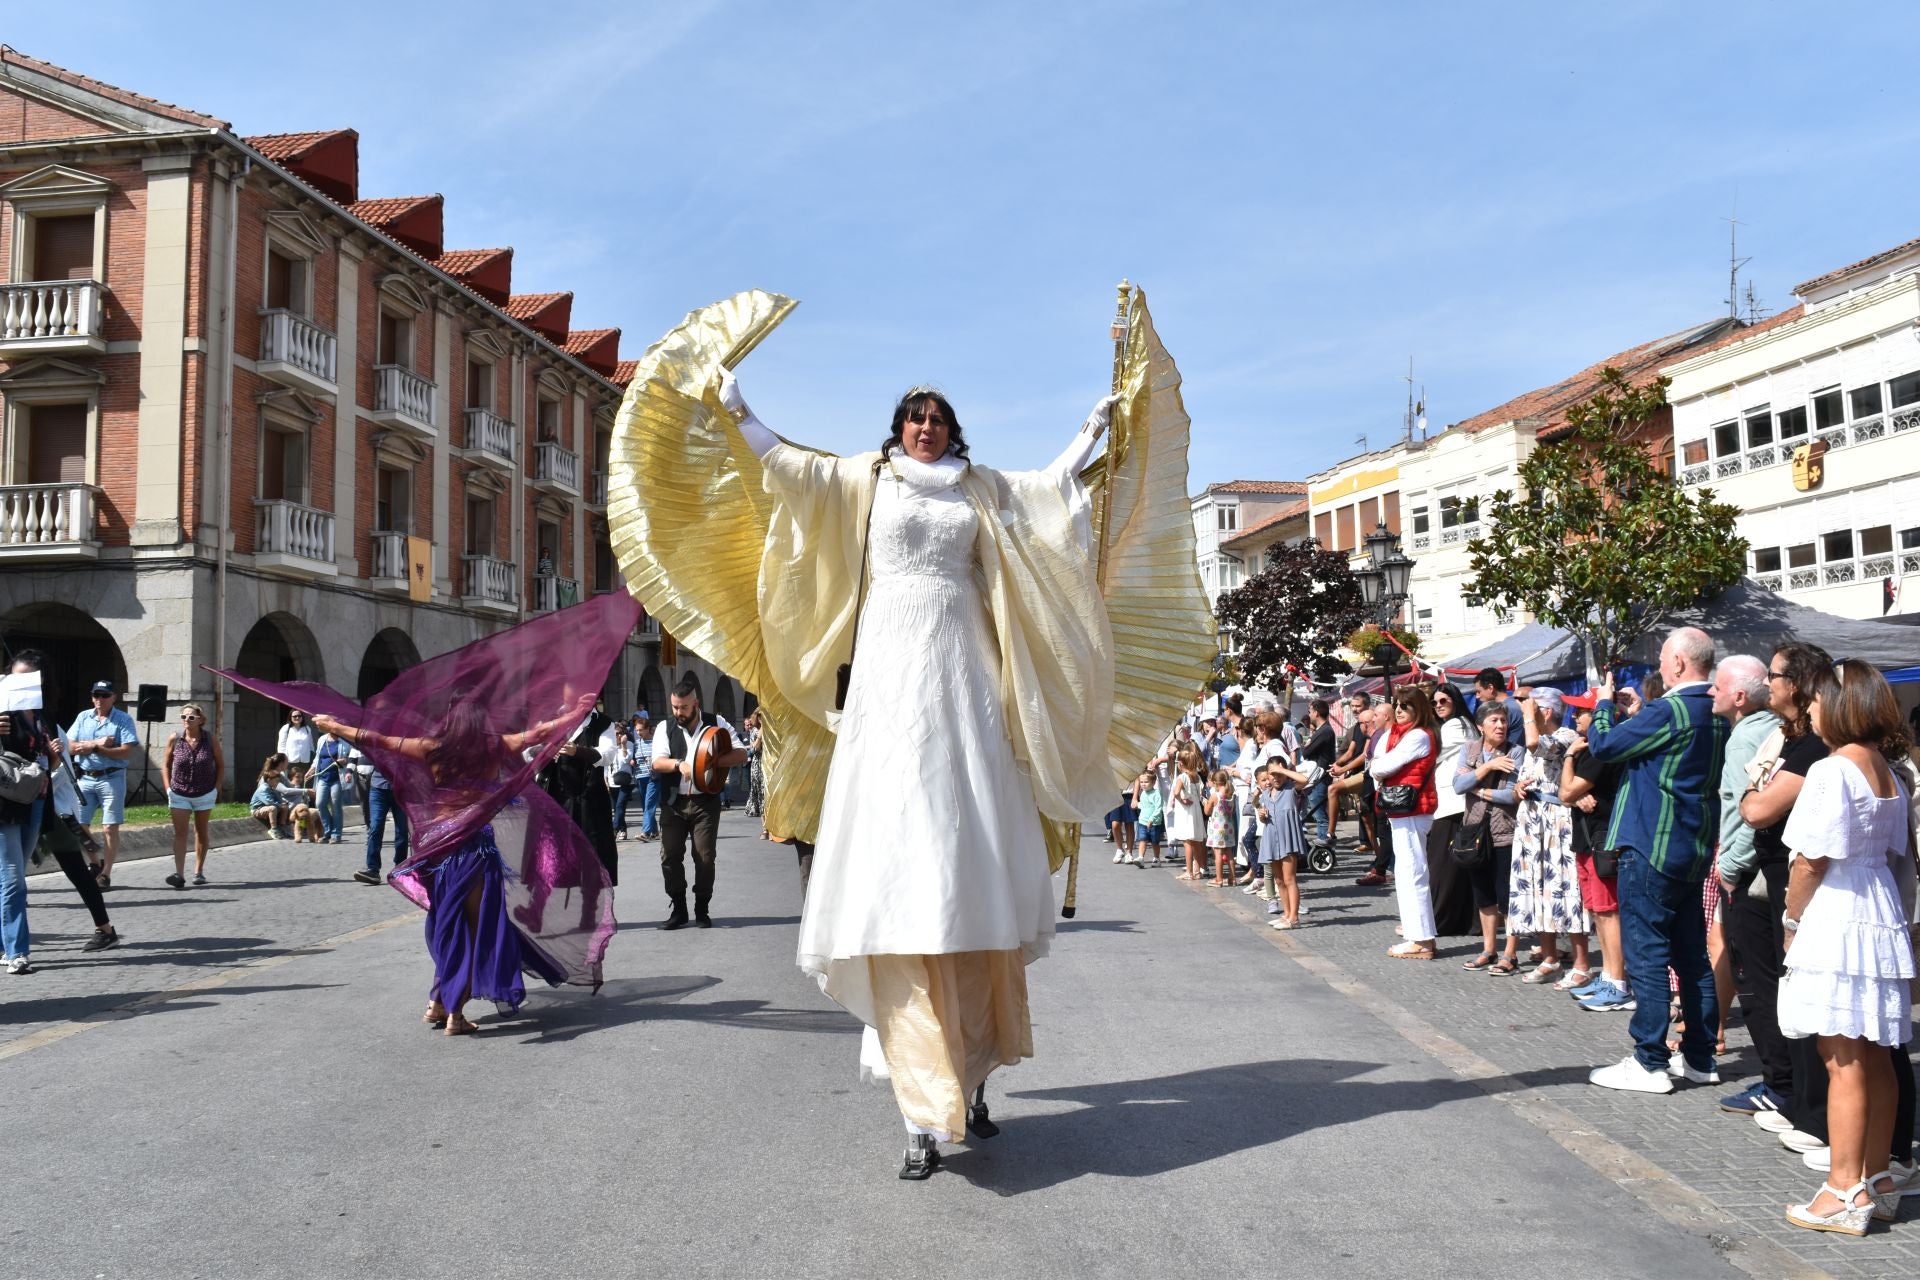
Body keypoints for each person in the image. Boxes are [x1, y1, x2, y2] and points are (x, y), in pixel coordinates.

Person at [699, 363, 1141, 1179]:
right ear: (898, 427)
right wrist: (740, 407)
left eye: (937, 418)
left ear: (952, 429)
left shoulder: (977, 488)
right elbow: (789, 466)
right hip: (890, 662)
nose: (926, 428)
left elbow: (1048, 491)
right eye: (914, 417)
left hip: (964, 659)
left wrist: (1092, 429)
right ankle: (919, 1109)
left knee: (967, 826)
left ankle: (970, 1085)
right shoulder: (869, 482)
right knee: (899, 845)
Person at [314, 689, 601, 1036]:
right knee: (474, 931)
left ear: (449, 719)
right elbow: (541, 734)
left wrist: (336, 726)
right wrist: (576, 714)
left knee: (448, 924)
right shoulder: (494, 746)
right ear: (482, 720)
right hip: (474, 852)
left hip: (438, 852)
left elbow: (378, 739)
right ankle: (456, 1014)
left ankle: (438, 1002)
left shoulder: (431, 748)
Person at [1775, 660, 1917, 1236]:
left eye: (1815, 700)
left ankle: (1842, 1190)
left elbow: (1812, 859)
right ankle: (1877, 1178)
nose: (1808, 708)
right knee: (1877, 1056)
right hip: (1876, 906)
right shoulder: (1886, 767)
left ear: (1838, 704)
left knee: (1845, 1061)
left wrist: (1790, 917)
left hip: (1839, 910)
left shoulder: (1835, 770)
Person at [1585, 627, 1729, 1095]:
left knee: (1647, 955)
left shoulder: (1673, 708)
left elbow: (1604, 747)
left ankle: (1649, 1060)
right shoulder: (1716, 710)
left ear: (1682, 664)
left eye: (1665, 660)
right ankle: (1700, 1058)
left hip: (1653, 843)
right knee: (1692, 957)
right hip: (1693, 845)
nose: (1660, 668)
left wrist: (1604, 706)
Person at [1739, 643, 1837, 1156]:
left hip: (1800, 882)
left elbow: (1756, 808)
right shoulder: (1790, 739)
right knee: (1787, 995)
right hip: (1775, 876)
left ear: (1795, 683)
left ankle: (1821, 1117)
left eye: (1774, 675)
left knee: (1810, 999)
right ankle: (1802, 1104)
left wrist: (1754, 797)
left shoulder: (1814, 748)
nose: (1767, 684)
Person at [1707, 654, 1789, 1119]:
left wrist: (1730, 869)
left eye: (1718, 687)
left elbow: (1746, 813)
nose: (1712, 693)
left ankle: (1780, 1084)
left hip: (1753, 879)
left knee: (1759, 983)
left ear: (1739, 696)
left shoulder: (1744, 738)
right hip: (1765, 874)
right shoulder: (1773, 728)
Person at [0, 653, 118, 953]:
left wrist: (51, 758)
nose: (22, 684)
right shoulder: (6, 717)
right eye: (15, 678)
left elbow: (58, 768)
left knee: (72, 868)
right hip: (19, 807)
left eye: (30, 678)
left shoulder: (44, 719)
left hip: (51, 805)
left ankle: (105, 929)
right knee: (12, 877)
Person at [649, 674, 746, 929]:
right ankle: (679, 909)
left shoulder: (717, 722)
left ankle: (702, 908)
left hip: (706, 802)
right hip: (674, 802)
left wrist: (710, 762)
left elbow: (740, 754)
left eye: (683, 707)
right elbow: (657, 762)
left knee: (704, 856)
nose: (678, 712)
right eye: (674, 707)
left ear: (696, 703)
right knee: (669, 856)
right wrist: (679, 764)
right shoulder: (664, 727)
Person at [1509, 688, 1591, 988]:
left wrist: (1530, 718)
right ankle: (1549, 956)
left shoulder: (1567, 736)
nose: (1523, 713)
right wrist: (1518, 790)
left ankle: (1582, 963)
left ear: (1546, 711)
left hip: (1557, 824)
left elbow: (1536, 744)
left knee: (1565, 892)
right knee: (1536, 890)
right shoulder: (1532, 739)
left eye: (1532, 708)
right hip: (1532, 823)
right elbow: (1525, 772)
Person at [1561, 691, 1629, 1011]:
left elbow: (1565, 791)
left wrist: (1568, 758)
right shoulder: (1591, 745)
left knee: (1608, 911)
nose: (1574, 718)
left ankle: (1618, 981)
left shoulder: (1598, 748)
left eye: (1580, 712)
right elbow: (1569, 795)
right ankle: (1610, 976)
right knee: (1598, 912)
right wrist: (1574, 794)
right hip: (1588, 838)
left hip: (1602, 838)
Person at [1371, 686, 1440, 960]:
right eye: (1397, 705)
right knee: (1406, 873)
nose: (1399, 710)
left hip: (1413, 810)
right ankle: (1418, 935)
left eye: (1405, 706)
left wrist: (1379, 766)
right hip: (1404, 810)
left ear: (1418, 709)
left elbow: (1380, 767)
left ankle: (1421, 940)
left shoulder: (1418, 736)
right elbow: (1376, 760)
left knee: (1412, 873)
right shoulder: (1401, 735)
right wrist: (1379, 764)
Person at [1455, 702, 1526, 972]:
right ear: (1480, 726)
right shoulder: (1470, 749)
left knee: (1506, 896)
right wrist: (1488, 768)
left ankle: (1511, 952)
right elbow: (1458, 785)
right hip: (1474, 831)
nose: (1500, 726)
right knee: (1483, 895)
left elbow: (1511, 795)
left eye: (1503, 721)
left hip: (1504, 832)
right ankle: (1489, 949)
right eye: (1494, 721)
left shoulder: (1516, 752)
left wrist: (1479, 790)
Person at [535, 700, 617, 887]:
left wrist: (576, 750)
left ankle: (590, 911)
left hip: (589, 800)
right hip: (556, 798)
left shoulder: (603, 722)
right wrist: (545, 750)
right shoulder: (552, 719)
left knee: (591, 858)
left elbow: (607, 754)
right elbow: (528, 753)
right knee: (554, 858)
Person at [67, 679, 137, 889]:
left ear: (114, 697)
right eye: (96, 695)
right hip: (85, 777)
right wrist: (95, 743)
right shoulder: (83, 717)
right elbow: (69, 747)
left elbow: (125, 751)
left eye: (105, 695)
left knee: (109, 827)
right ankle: (96, 863)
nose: (100, 699)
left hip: (111, 778)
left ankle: (106, 874)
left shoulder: (123, 719)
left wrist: (95, 749)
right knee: (79, 825)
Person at [1424, 683, 1478, 937]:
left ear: (1454, 700)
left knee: (1441, 865)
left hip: (1451, 803)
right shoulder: (1464, 724)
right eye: (1434, 703)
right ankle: (1465, 921)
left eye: (1443, 701)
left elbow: (1430, 753)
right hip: (1456, 802)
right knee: (1460, 865)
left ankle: (1438, 920)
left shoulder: (1456, 726)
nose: (1438, 706)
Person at [161, 702, 223, 887]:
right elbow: (165, 764)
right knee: (180, 833)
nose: (187, 720)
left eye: (191, 717)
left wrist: (216, 790)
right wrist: (168, 788)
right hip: (179, 792)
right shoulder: (175, 738)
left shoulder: (210, 739)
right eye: (183, 717)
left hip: (204, 792)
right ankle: (179, 874)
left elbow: (220, 765)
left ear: (201, 720)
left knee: (201, 831)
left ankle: (199, 871)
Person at [355, 753, 410, 883]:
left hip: (401, 790)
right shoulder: (379, 738)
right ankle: (373, 870)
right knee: (375, 827)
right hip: (378, 788)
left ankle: (400, 868)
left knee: (402, 831)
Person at [1167, 741, 1207, 881]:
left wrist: (1181, 800)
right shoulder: (1195, 776)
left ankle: (1189, 870)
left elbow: (1176, 792)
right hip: (1196, 810)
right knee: (1196, 841)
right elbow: (1201, 791)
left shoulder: (1182, 777)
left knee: (1187, 842)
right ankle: (1197, 869)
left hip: (1186, 811)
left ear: (1181, 764)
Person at [1301, 698, 1337, 847]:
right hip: (1318, 775)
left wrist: (1308, 744)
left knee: (1319, 813)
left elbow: (1306, 751)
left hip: (1320, 777)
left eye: (1310, 711)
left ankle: (1325, 843)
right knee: (1317, 811)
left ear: (1316, 712)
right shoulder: (1322, 731)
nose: (1309, 714)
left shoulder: (1325, 731)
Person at [602, 720, 640, 841]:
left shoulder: (628, 744)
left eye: (619, 733)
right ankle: (623, 830)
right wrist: (605, 779)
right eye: (615, 734)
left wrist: (623, 746)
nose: (617, 736)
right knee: (618, 808)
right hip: (613, 781)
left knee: (620, 805)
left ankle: (614, 829)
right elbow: (607, 764)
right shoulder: (610, 746)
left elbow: (627, 760)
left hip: (626, 781)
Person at [249, 754, 294, 840]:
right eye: (276, 781)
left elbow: (278, 798)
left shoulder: (273, 788)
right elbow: (268, 802)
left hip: (269, 806)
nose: (278, 782)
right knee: (272, 808)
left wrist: (282, 804)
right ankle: (273, 829)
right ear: (269, 780)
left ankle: (282, 826)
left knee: (284, 807)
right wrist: (279, 805)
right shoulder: (264, 788)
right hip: (258, 809)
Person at [1203, 767, 1236, 887]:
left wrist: (1205, 803)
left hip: (1217, 829)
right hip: (1229, 828)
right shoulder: (1231, 795)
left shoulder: (1215, 796)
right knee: (1230, 853)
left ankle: (1219, 879)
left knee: (1218, 854)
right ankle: (1233, 878)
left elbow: (1207, 812)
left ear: (1216, 783)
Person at [1133, 768, 1166, 866]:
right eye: (1141, 782)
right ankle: (1140, 858)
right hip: (1143, 821)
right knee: (1143, 840)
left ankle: (1156, 859)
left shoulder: (1156, 794)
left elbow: (1158, 808)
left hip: (1154, 823)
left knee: (1155, 842)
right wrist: (1137, 804)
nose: (1143, 784)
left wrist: (1152, 819)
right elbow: (1144, 805)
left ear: (1153, 782)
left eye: (1146, 782)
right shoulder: (1143, 793)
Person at [277, 709, 316, 783]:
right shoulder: (286, 728)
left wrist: (312, 758)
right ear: (290, 718)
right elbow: (281, 746)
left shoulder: (307, 728)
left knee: (304, 782)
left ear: (302, 717)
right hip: (290, 761)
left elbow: (311, 744)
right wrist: (283, 760)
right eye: (294, 716)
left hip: (305, 761)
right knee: (291, 782)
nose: (297, 718)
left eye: (299, 716)